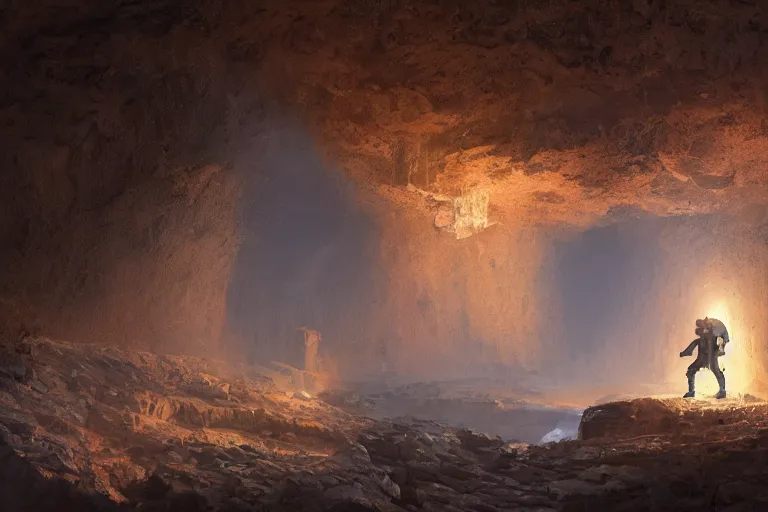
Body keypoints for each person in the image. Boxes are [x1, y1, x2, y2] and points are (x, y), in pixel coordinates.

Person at [680, 323, 726, 399]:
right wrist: (685, 352)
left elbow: (721, 345)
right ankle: (691, 391)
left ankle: (722, 390)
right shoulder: (699, 341)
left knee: (717, 372)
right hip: (702, 360)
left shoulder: (714, 339)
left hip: (711, 359)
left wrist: (720, 350)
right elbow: (690, 349)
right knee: (691, 370)